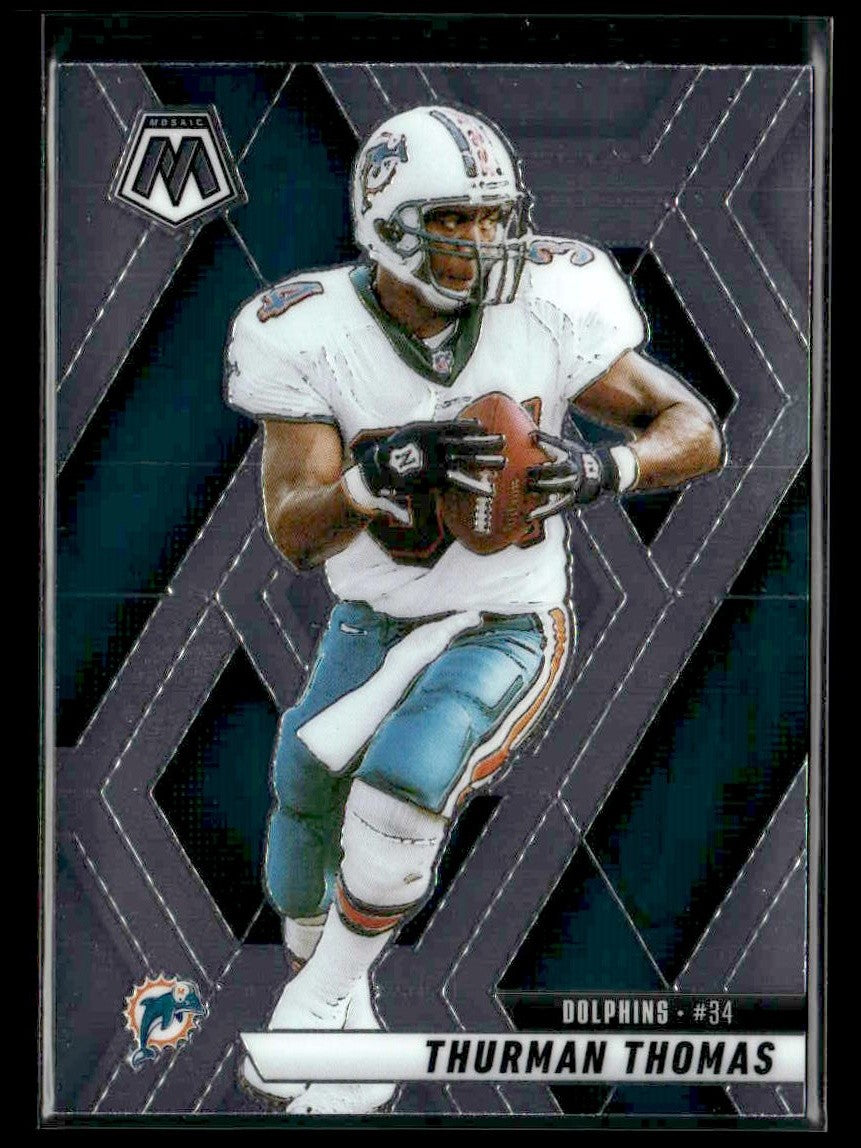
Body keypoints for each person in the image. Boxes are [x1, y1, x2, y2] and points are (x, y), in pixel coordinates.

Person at [224, 104, 724, 1115]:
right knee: (302, 797)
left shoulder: (552, 299)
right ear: (387, 224)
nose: (485, 241)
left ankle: (315, 1008)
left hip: (508, 618)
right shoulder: (307, 328)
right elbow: (294, 529)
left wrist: (606, 467)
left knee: (403, 783)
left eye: (497, 217)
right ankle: (339, 1004)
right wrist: (372, 477)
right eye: (456, 219)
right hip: (373, 619)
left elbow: (693, 428)